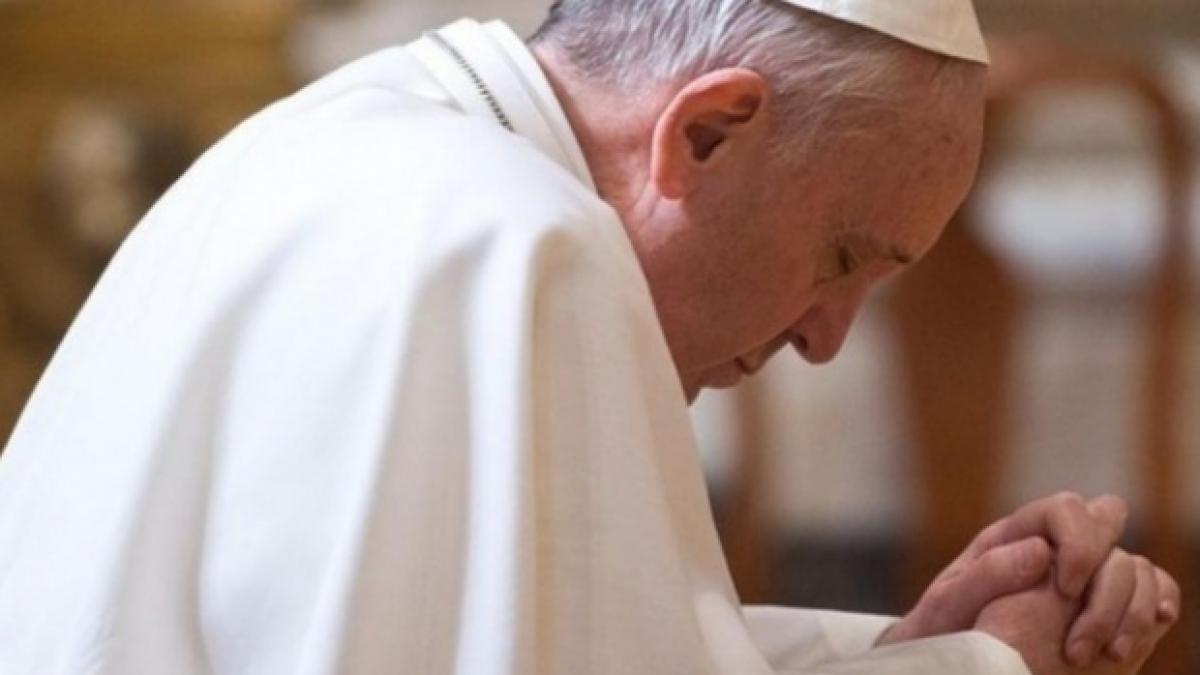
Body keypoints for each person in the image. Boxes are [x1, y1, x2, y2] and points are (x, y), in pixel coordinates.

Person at [0, 1, 1180, 673]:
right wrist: (987, 670)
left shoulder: (349, 140)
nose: (826, 339)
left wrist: (913, 647)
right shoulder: (512, 244)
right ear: (708, 131)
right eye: (839, 261)